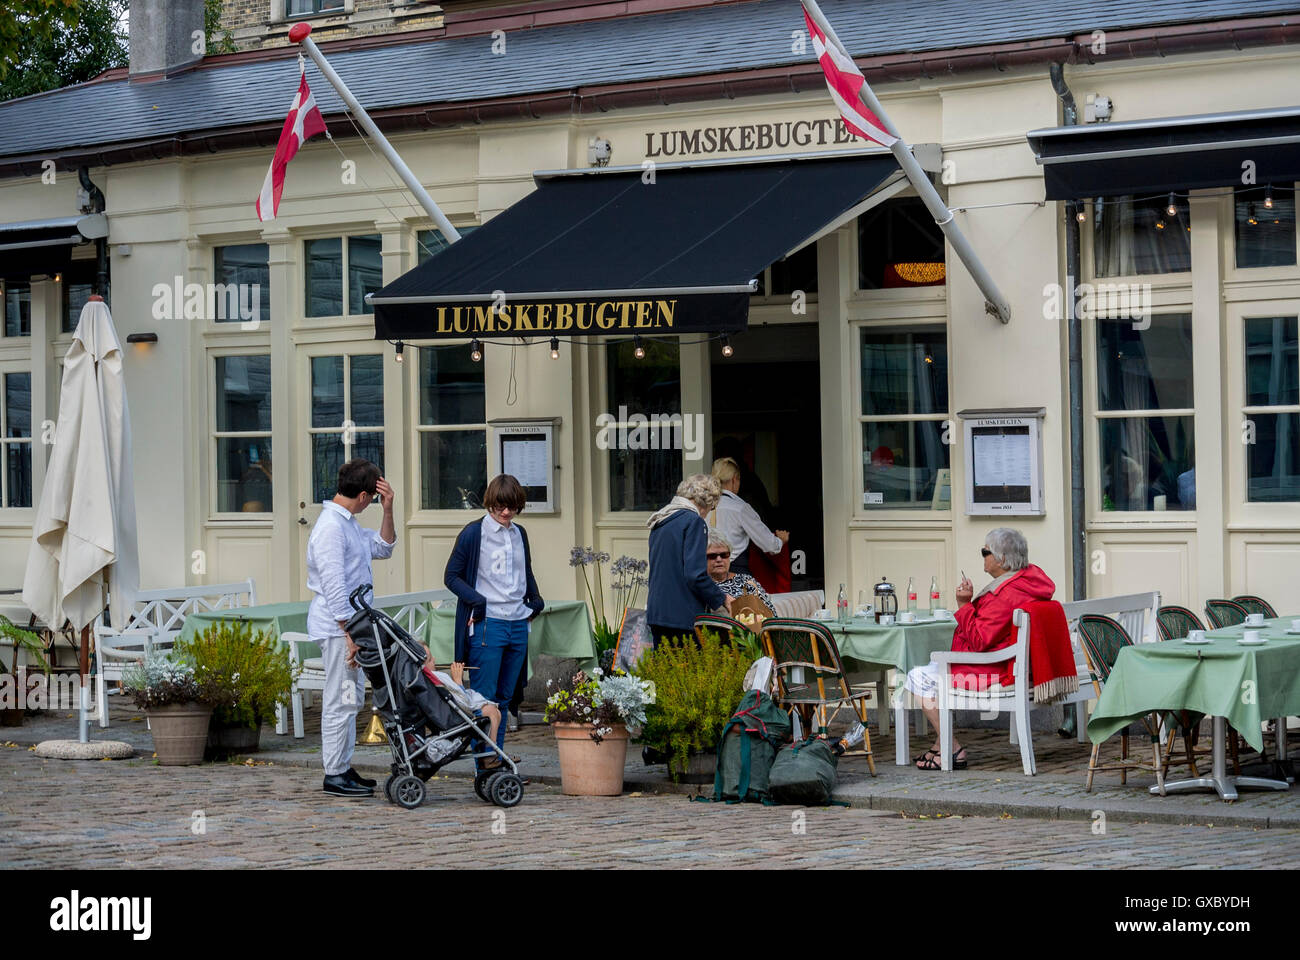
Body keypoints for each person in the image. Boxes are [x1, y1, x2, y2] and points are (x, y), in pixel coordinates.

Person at [901, 527, 1055, 770]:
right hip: (1015, 663)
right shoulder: (1028, 581)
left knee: (917, 677)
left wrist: (963, 604)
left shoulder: (1006, 594)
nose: (982, 556)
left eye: (985, 552)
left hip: (997, 669)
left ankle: (952, 748)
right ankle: (942, 746)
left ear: (1002, 559)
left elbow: (980, 640)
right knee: (930, 671)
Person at [306, 458, 397, 798]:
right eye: (373, 499)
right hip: (336, 626)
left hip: (350, 625)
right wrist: (349, 633)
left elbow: (383, 549)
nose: (372, 504)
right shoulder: (331, 527)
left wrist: (388, 510)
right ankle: (334, 773)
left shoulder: (349, 524)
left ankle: (342, 766)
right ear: (362, 496)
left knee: (351, 698)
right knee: (339, 699)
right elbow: (334, 585)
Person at [444, 474, 544, 769]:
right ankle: (485, 766)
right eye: (500, 506)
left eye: (512, 507)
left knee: (505, 698)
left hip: (518, 622)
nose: (505, 512)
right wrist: (478, 600)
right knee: (484, 698)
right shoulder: (474, 533)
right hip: (488, 624)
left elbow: (524, 572)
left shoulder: (519, 533)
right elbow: (452, 576)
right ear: (490, 503)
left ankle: (496, 760)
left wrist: (535, 600)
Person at [646, 474, 732, 648]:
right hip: (681, 616)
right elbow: (695, 575)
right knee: (689, 672)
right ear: (706, 502)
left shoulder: (661, 521)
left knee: (665, 672)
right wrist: (722, 598)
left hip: (657, 613)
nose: (709, 512)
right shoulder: (693, 521)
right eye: (712, 507)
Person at [710, 457, 788, 576]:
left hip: (707, 576)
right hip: (735, 573)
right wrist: (781, 540)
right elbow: (770, 545)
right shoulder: (740, 508)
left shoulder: (703, 507)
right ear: (734, 480)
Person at [706, 530, 774, 612]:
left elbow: (770, 611)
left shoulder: (746, 580)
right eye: (712, 556)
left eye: (724, 555)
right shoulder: (701, 585)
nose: (719, 559)